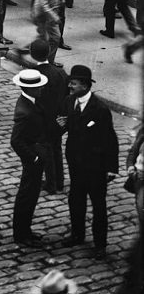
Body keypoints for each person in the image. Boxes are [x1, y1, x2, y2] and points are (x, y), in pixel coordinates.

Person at [59, 64, 119, 259]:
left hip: (95, 166)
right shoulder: (69, 101)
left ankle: (100, 244)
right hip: (76, 163)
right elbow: (65, 126)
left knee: (98, 205)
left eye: (73, 83)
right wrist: (60, 126)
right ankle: (77, 234)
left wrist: (111, 169)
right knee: (75, 199)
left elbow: (110, 140)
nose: (70, 85)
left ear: (84, 85)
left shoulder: (100, 109)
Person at [10, 66, 49, 246]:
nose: (42, 89)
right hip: (32, 158)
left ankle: (26, 230)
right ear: (30, 88)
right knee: (26, 195)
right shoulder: (24, 112)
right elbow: (16, 141)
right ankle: (21, 234)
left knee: (31, 195)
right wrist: (33, 158)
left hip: (37, 154)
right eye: (38, 87)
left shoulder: (32, 101)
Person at [26, 38, 69, 195]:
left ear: (32, 54)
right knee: (56, 148)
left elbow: (31, 100)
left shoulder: (33, 74)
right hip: (58, 119)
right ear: (49, 52)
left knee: (47, 151)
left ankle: (51, 183)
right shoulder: (60, 73)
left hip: (43, 119)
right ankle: (60, 181)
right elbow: (66, 96)